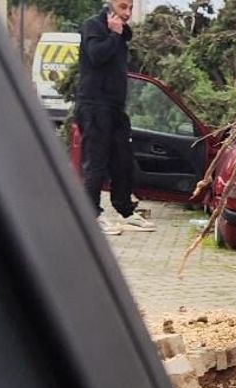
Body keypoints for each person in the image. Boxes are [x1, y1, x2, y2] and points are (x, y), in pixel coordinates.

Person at [76, 0, 155, 235]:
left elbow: (126, 35)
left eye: (130, 8)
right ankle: (93, 215)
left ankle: (126, 211)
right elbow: (96, 56)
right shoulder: (93, 26)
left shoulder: (121, 31)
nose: (128, 13)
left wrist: (118, 31)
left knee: (123, 161)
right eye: (123, 7)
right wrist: (112, 34)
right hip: (93, 105)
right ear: (109, 5)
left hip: (114, 107)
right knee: (96, 163)